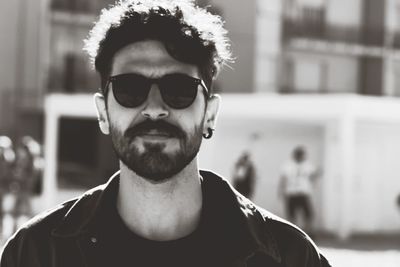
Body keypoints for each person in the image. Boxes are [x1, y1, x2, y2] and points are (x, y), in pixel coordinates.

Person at [1, 1, 330, 266]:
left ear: (209, 115)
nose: (154, 107)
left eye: (179, 89)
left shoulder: (288, 257)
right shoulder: (35, 254)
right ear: (103, 113)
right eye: (130, 89)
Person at [279, 146, 319, 237]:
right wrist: (281, 192)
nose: (300, 157)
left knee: (309, 214)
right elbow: (283, 180)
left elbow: (312, 178)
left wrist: (316, 176)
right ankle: (292, 234)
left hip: (303, 193)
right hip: (291, 193)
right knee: (291, 215)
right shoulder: (287, 165)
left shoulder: (308, 165)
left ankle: (308, 233)